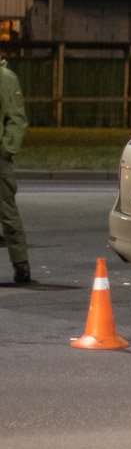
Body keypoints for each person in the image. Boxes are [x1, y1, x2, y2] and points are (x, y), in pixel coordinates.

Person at [0, 53, 31, 286]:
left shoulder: (5, 78)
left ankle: (21, 265)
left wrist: (5, 150)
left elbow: (17, 119)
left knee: (8, 213)